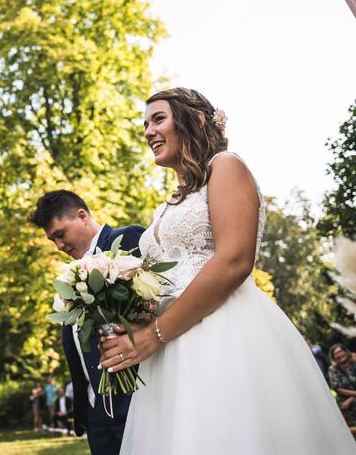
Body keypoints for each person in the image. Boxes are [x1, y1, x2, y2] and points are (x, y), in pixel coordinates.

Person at [98, 87, 356, 454]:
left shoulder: (226, 165)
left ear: (197, 119)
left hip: (222, 333)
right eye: (145, 124)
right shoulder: (170, 203)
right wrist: (133, 319)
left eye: (158, 119)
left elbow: (234, 261)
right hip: (170, 350)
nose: (148, 132)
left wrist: (156, 334)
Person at [30, 189, 144, 454]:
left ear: (82, 216)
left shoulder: (125, 239)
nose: (58, 246)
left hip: (134, 401)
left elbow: (150, 306)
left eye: (60, 234)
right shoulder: (70, 273)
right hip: (97, 411)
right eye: (52, 240)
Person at [328, 344, 356, 428]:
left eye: (340, 351)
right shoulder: (333, 369)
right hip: (348, 407)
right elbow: (338, 389)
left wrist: (352, 398)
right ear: (333, 357)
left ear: (346, 352)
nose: (339, 354)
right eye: (336, 354)